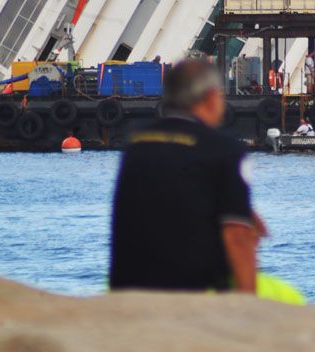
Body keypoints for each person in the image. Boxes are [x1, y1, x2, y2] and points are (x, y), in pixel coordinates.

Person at [109, 58, 263, 293]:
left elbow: (169, 196)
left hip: (130, 292)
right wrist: (248, 304)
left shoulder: (136, 145)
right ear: (211, 98)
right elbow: (237, 235)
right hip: (190, 293)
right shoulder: (224, 149)